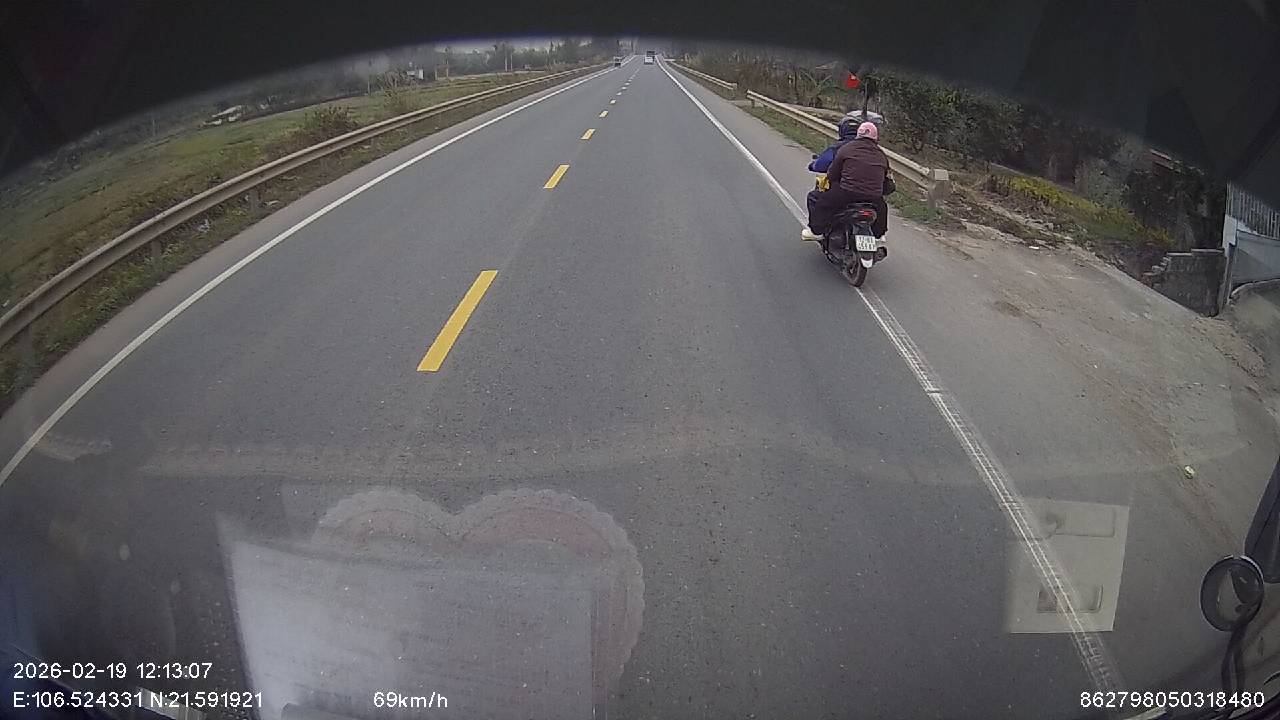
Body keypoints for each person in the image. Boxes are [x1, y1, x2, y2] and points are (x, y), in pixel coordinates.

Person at [802, 121, 891, 242]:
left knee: (821, 201)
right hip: (873, 196)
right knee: (882, 208)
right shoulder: (881, 155)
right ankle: (878, 235)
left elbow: (833, 174)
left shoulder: (846, 149)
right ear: (876, 137)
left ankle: (816, 231)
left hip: (848, 192)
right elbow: (887, 181)